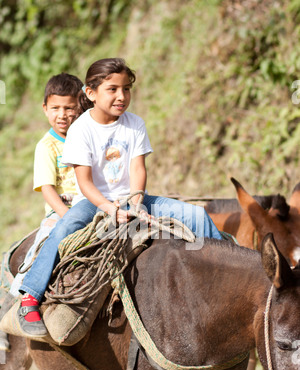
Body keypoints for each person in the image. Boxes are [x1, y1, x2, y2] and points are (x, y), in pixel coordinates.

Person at [17, 58, 222, 338]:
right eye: (112, 89)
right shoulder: (80, 130)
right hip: (93, 202)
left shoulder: (134, 124)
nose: (121, 96)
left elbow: (138, 168)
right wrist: (109, 209)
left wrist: (136, 205)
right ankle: (30, 296)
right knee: (63, 229)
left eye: (126, 89)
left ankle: (223, 274)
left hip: (134, 198)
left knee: (197, 216)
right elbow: (84, 182)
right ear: (90, 93)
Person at [0, 72, 84, 347]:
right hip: (62, 209)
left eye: (69, 107)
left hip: (94, 205)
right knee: (44, 242)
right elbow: (48, 188)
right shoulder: (47, 146)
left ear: (80, 106)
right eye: (56, 108)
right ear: (45, 108)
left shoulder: (86, 137)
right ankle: (24, 296)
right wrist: (66, 216)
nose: (63, 114)